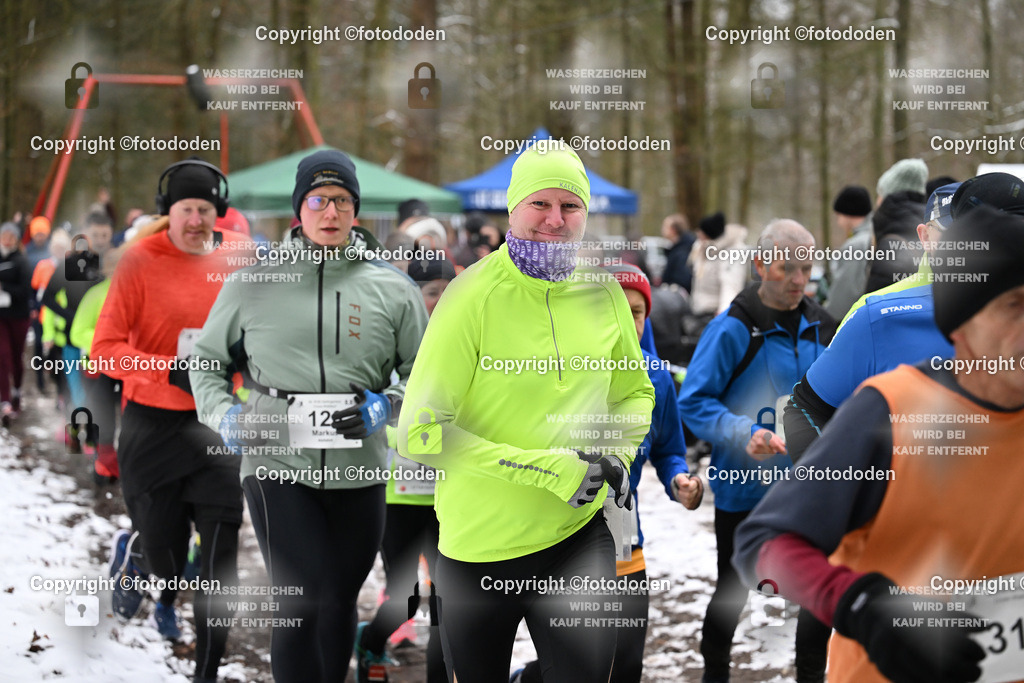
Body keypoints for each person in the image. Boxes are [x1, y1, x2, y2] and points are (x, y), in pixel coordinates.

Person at [396, 142, 655, 682]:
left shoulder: (605, 291)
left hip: (576, 536)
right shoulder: (470, 296)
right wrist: (550, 469)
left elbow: (634, 393)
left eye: (571, 206)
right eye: (541, 204)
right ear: (512, 208)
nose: (555, 221)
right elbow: (420, 434)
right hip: (479, 547)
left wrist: (616, 454)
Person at [733, 204, 1024, 683]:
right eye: (1013, 305)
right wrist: (862, 606)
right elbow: (763, 542)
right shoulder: (888, 412)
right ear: (961, 323)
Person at [190, 149, 428, 683]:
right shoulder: (254, 282)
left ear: (355, 210)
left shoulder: (393, 288)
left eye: (342, 200)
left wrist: (385, 404)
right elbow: (203, 359)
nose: (330, 212)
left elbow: (425, 375)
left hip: (360, 465)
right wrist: (225, 416)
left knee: (339, 598)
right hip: (276, 459)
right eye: (318, 200)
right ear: (300, 210)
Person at [781, 181, 962, 682]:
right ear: (926, 237)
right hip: (882, 546)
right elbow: (800, 411)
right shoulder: (879, 314)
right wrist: (840, 498)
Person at [91, 159, 253, 683]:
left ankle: (207, 671)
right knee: (167, 557)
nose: (196, 220)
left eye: (206, 209)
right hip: (152, 425)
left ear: (218, 212)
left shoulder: (239, 259)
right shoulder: (139, 261)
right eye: (187, 209)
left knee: (219, 558)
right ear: (169, 212)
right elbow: (105, 350)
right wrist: (167, 370)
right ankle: (142, 553)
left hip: (216, 427)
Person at [513, 264, 702, 683]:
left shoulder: (657, 378)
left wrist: (679, 481)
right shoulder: (563, 372)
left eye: (636, 312)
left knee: (626, 661)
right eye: (613, 308)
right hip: (563, 535)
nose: (626, 320)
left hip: (623, 538)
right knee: (576, 663)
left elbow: (669, 449)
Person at [677, 219, 836, 683]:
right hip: (744, 488)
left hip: (807, 489)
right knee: (733, 591)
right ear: (760, 264)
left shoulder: (824, 325)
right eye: (787, 268)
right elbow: (694, 401)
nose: (799, 280)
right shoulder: (732, 328)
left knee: (815, 594)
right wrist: (742, 431)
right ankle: (715, 676)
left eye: (806, 268)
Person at [355, 255, 454, 683]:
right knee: (404, 599)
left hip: (447, 498)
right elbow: (375, 416)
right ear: (412, 297)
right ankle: (370, 643)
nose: (441, 302)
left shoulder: (462, 344)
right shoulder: (392, 347)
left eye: (450, 293)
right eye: (433, 293)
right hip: (397, 496)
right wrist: (416, 439)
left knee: (448, 603)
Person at [825, 159, 928, 319]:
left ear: (887, 197)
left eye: (880, 194)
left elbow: (846, 305)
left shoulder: (877, 241)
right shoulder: (931, 229)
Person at [69, 246, 125, 485]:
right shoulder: (95, 294)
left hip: (128, 365)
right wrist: (106, 342)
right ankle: (103, 463)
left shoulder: (137, 294)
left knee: (131, 415)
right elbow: (77, 332)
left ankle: (126, 461)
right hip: (97, 365)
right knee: (102, 415)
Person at [687, 211, 748, 322]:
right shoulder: (701, 247)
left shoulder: (732, 252)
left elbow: (730, 285)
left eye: (701, 232)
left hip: (714, 313)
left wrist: (723, 314)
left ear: (708, 234)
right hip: (698, 310)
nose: (698, 234)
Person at [0, 222, 33, 423]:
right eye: (4, 235)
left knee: (15, 358)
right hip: (0, 317)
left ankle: (16, 391)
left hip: (18, 316)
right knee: (2, 356)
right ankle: (4, 400)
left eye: (12, 236)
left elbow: (25, 290)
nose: (7, 239)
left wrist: (4, 287)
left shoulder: (21, 261)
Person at [660, 213, 695, 290]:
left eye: (665, 226)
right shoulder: (675, 249)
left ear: (673, 230)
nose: (662, 229)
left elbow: (682, 280)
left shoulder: (682, 252)